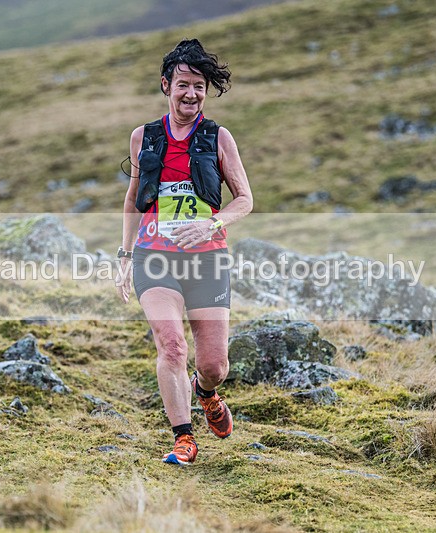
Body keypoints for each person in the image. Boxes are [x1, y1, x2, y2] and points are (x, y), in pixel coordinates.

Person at [116, 39, 253, 465]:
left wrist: (212, 223)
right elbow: (132, 200)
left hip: (208, 260)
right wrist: (124, 255)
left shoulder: (217, 137)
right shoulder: (145, 137)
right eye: (183, 84)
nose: (191, 93)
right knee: (171, 346)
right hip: (153, 257)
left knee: (214, 364)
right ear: (166, 85)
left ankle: (206, 392)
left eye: (199, 85)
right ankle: (183, 437)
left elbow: (244, 199)